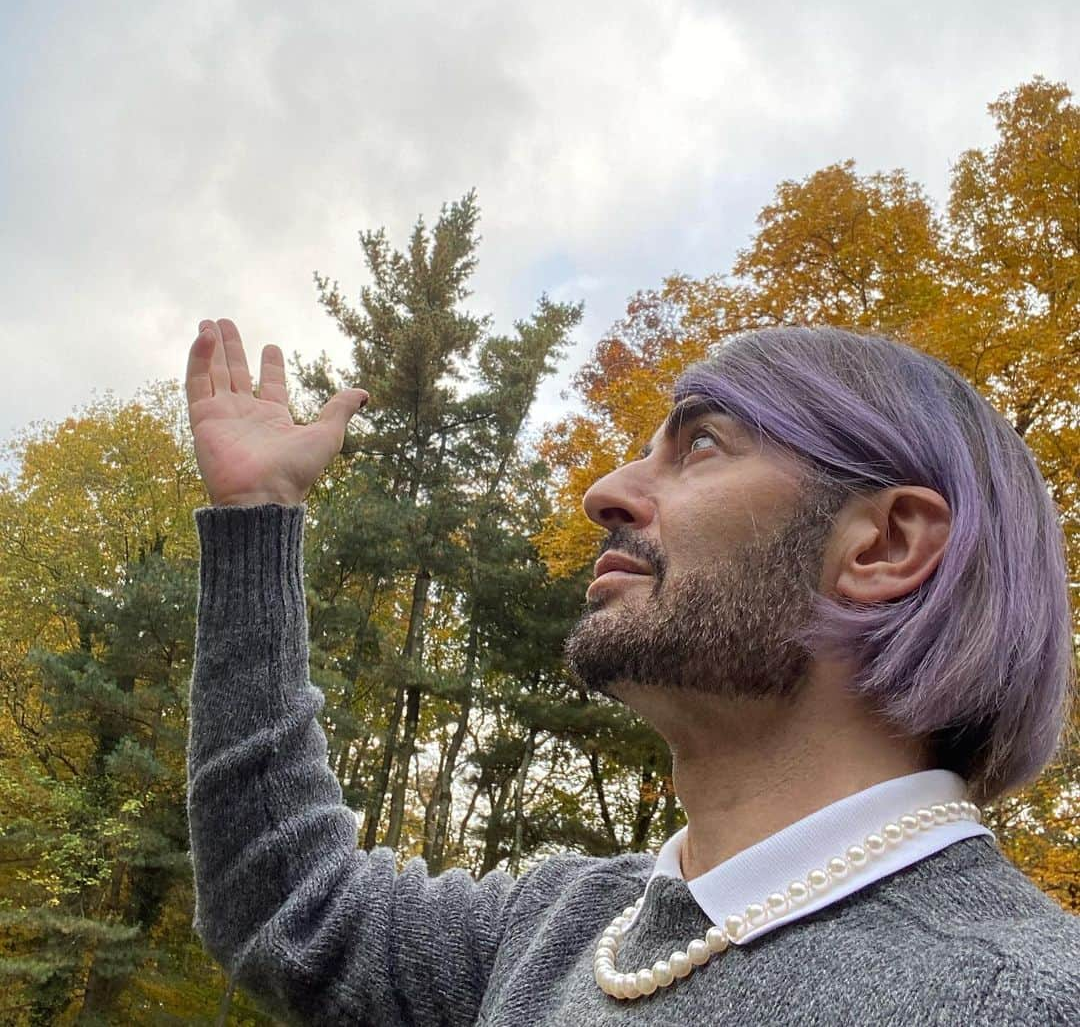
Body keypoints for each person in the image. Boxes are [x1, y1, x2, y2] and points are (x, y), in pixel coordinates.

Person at [185, 317, 1079, 1025]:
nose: (604, 491)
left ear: (882, 545)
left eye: (699, 447)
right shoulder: (559, 929)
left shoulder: (1024, 997)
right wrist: (260, 520)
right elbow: (291, 906)